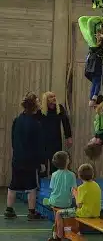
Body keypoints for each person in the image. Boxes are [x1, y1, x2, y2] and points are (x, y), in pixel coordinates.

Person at [4, 92, 46, 221]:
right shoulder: (36, 124)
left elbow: (13, 138)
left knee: (13, 184)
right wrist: (42, 162)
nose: (40, 103)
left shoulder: (17, 120)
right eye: (38, 101)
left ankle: (9, 210)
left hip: (17, 157)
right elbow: (38, 145)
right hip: (30, 160)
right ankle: (32, 212)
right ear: (34, 105)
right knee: (31, 186)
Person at [50, 164, 101, 241]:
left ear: (79, 176)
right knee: (71, 211)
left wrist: (75, 194)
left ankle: (59, 236)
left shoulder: (82, 188)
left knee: (59, 213)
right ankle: (73, 232)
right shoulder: (96, 185)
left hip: (84, 213)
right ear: (93, 174)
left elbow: (79, 205)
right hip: (96, 212)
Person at [78, 14, 103, 106]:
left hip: (93, 57)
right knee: (97, 80)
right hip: (96, 57)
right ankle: (93, 96)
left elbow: (83, 19)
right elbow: (88, 21)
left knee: (96, 80)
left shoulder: (101, 34)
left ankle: (93, 97)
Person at [39, 91, 72, 176]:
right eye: (51, 97)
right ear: (46, 100)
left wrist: (68, 137)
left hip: (56, 139)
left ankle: (55, 182)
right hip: (43, 140)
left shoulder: (59, 108)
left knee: (56, 163)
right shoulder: (41, 111)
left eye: (54, 96)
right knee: (43, 165)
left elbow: (66, 123)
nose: (54, 98)